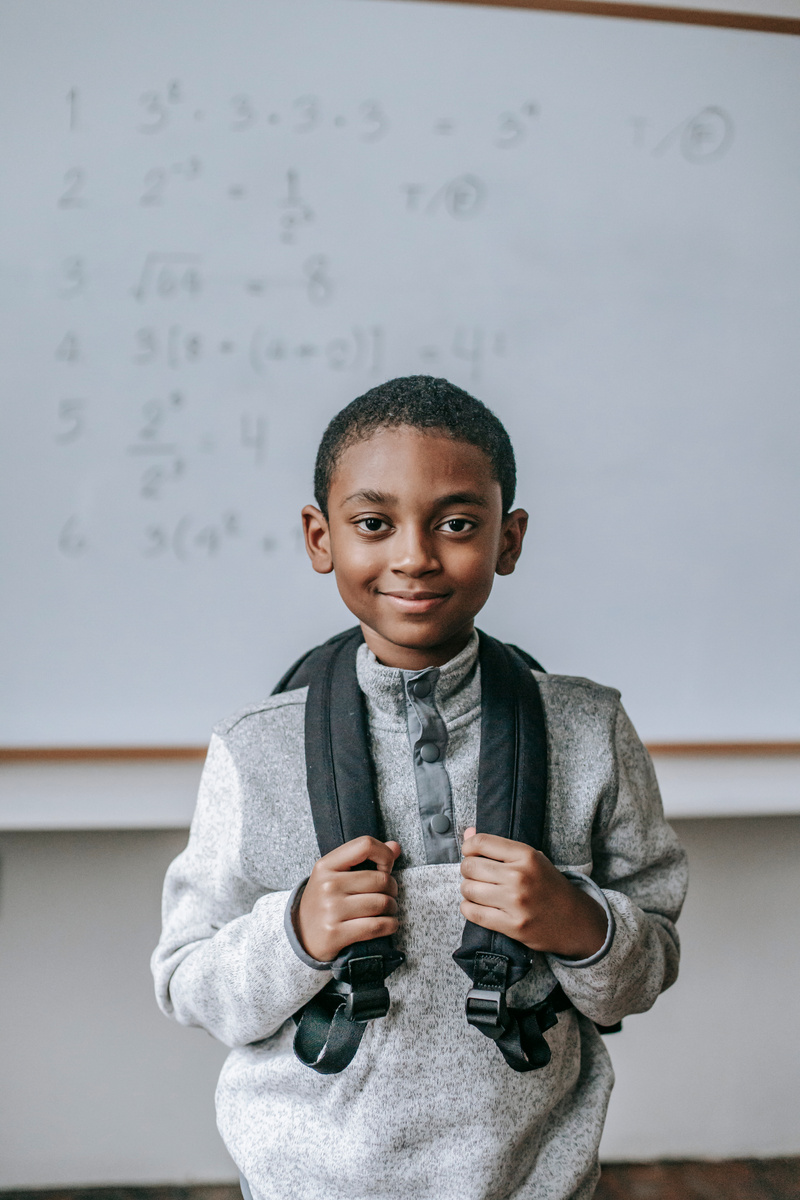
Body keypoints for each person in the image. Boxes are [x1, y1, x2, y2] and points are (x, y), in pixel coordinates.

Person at [151, 375, 688, 1200]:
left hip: (531, 1178)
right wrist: (294, 931)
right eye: (374, 524)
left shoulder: (590, 730)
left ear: (508, 541)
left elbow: (647, 968)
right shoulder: (254, 752)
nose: (413, 555)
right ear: (319, 536)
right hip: (309, 1181)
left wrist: (581, 924)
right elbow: (190, 982)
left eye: (458, 524)